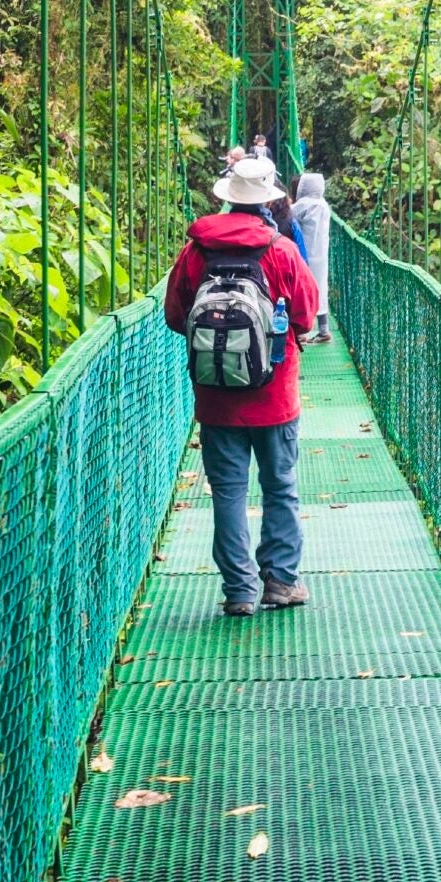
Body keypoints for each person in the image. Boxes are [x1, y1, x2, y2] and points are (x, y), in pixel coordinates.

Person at [163, 156, 320, 618]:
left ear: (227, 196)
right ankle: (280, 581)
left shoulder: (195, 250)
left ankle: (238, 590)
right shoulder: (281, 250)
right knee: (280, 486)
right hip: (275, 395)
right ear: (269, 199)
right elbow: (306, 317)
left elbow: (175, 316)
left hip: (216, 398)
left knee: (228, 491)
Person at [294, 171, 332, 342]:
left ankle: (301, 332)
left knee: (303, 290)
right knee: (321, 289)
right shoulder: (324, 205)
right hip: (322, 255)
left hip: (305, 255)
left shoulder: (303, 205)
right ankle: (324, 330)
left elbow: (286, 216)